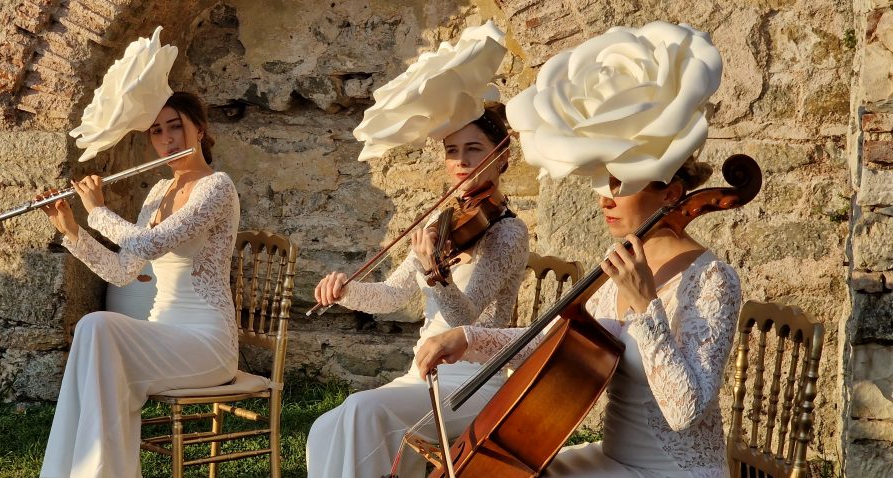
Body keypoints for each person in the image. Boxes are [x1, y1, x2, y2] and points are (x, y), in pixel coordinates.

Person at [416, 157, 741, 477]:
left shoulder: (713, 280)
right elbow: (555, 340)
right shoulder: (619, 261)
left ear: (670, 194)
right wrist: (467, 338)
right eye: (602, 185)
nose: (604, 200)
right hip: (610, 460)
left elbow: (685, 411)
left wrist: (645, 306)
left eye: (618, 186)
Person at [306, 108, 531, 478]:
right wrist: (346, 292)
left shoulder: (508, 233)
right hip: (422, 374)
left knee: (364, 410)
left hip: (473, 382)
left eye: (474, 148)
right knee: (324, 428)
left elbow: (465, 318)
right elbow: (392, 294)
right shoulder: (441, 223)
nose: (461, 161)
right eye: (452, 150)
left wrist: (434, 273)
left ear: (502, 155)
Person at [38, 92, 241, 478]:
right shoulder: (158, 193)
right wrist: (74, 231)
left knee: (97, 328)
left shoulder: (217, 188)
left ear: (199, 128)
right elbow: (124, 270)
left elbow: (152, 243)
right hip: (163, 333)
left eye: (176, 126)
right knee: (95, 331)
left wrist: (97, 210)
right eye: (157, 131)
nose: (168, 139)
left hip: (208, 341)